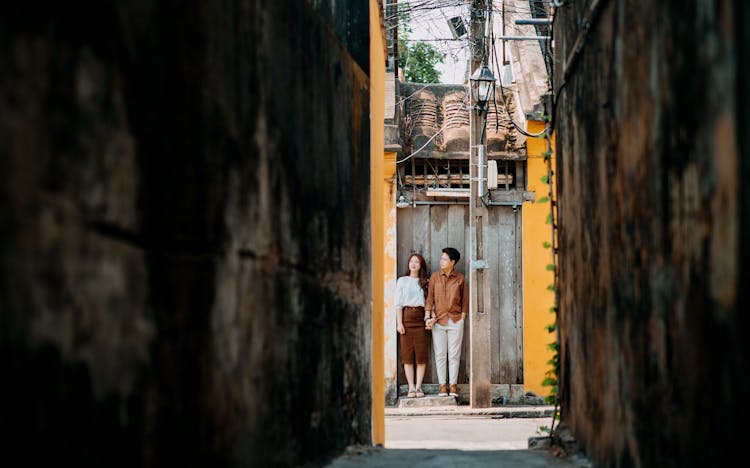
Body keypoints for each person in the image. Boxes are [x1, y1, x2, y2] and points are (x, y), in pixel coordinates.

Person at [425, 247, 468, 397]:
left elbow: (465, 301)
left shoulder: (460, 279)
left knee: (454, 355)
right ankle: (442, 386)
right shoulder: (435, 277)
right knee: (440, 354)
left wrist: (462, 318)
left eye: (444, 259)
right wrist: (428, 317)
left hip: (456, 320)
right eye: (441, 258)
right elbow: (429, 299)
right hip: (438, 321)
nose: (441, 261)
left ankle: (453, 386)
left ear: (452, 262)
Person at [395, 253, 431, 398]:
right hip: (407, 318)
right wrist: (399, 323)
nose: (413, 264)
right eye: (411, 261)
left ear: (421, 265)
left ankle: (418, 387)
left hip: (421, 319)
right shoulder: (402, 281)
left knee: (421, 355)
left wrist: (429, 318)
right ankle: (410, 387)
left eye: (416, 262)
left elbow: (430, 303)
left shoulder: (425, 282)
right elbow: (398, 304)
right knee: (407, 355)